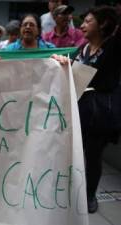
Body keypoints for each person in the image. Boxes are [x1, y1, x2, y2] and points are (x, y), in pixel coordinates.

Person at [73, 6, 121, 214]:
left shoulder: (113, 47)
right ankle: (75, 190)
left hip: (100, 114)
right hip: (79, 112)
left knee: (93, 156)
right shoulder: (82, 49)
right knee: (77, 154)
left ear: (102, 24)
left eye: (88, 21)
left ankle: (90, 195)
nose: (82, 25)